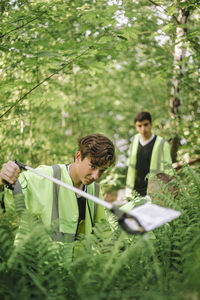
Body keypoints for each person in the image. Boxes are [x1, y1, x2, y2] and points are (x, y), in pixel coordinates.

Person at [0, 134, 115, 258]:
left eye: (102, 170)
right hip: (34, 268)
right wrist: (2, 179)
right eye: (92, 166)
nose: (96, 176)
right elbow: (7, 203)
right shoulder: (43, 176)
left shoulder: (95, 191)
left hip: (72, 273)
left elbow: (104, 236)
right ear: (78, 157)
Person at [125, 111, 172, 198]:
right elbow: (131, 167)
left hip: (155, 191)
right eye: (139, 126)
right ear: (136, 127)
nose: (143, 129)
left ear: (151, 124)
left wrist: (168, 191)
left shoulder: (162, 143)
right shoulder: (134, 140)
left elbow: (169, 170)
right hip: (135, 190)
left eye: (145, 124)